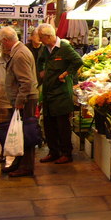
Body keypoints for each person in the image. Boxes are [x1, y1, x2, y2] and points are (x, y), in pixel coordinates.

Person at [36, 23, 84, 165]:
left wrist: (66, 73)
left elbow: (78, 61)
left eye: (41, 37)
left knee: (62, 125)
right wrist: (41, 71)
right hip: (48, 92)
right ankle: (53, 152)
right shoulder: (46, 49)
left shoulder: (64, 47)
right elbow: (40, 61)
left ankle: (66, 153)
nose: (39, 40)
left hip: (61, 92)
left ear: (48, 36)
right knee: (49, 124)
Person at [0, 26, 39, 177]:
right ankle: (18, 163)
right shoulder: (19, 51)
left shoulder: (20, 54)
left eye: (1, 43)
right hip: (24, 98)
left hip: (26, 99)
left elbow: (26, 82)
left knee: (26, 132)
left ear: (6, 41)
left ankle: (26, 166)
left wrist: (20, 100)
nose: (1, 46)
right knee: (19, 132)